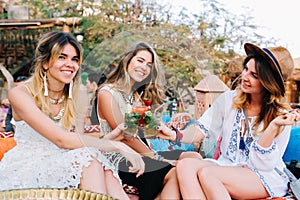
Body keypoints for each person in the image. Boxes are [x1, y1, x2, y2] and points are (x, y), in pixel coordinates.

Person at [0, 30, 145, 200]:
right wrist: (119, 146)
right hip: (27, 165)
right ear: (46, 62)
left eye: (74, 59)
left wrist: (112, 138)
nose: (70, 64)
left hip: (65, 160)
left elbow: (79, 141)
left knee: (101, 166)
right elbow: (61, 140)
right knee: (88, 159)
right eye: (62, 57)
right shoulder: (20, 94)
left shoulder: (79, 95)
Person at [159, 42, 300, 199]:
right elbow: (201, 130)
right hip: (226, 165)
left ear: (269, 82)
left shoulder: (282, 116)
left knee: (207, 174)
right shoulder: (228, 99)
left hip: (261, 174)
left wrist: (273, 126)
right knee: (185, 165)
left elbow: (264, 164)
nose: (245, 77)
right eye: (246, 69)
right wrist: (174, 135)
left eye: (255, 75)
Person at [96, 41, 201, 200]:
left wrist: (162, 129)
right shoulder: (107, 93)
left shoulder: (135, 95)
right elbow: (125, 136)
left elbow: (143, 132)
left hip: (143, 150)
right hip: (122, 157)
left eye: (149, 64)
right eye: (140, 61)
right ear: (127, 60)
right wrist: (156, 157)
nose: (144, 67)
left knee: (193, 158)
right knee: (176, 172)